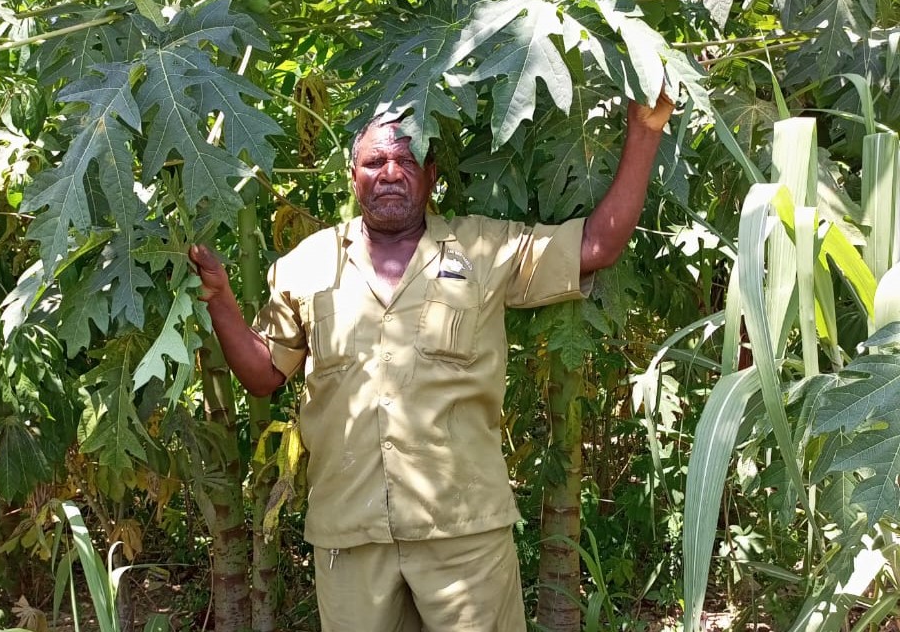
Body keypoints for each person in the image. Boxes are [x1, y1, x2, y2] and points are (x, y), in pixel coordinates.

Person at [188, 91, 675, 632]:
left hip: (464, 534)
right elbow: (264, 375)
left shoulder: (484, 249)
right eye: (374, 162)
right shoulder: (308, 264)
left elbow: (595, 247)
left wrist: (645, 129)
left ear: (433, 175)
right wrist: (221, 300)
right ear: (353, 176)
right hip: (350, 534)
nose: (390, 173)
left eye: (408, 159)